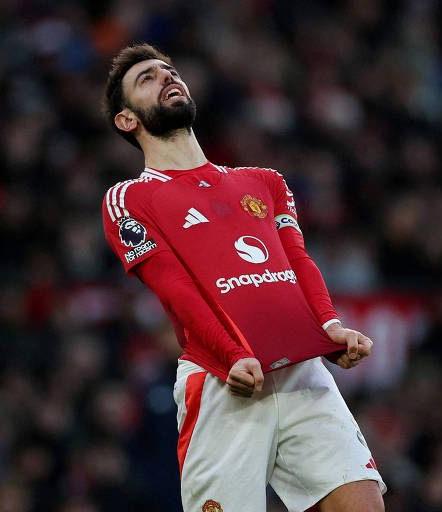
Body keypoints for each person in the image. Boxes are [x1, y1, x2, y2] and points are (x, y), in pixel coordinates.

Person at [100, 44, 386, 512]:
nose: (167, 78)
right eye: (147, 79)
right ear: (127, 120)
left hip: (301, 373)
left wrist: (328, 326)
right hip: (221, 380)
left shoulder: (264, 182)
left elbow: (298, 262)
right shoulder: (129, 198)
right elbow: (174, 287)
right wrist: (232, 355)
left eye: (169, 70)